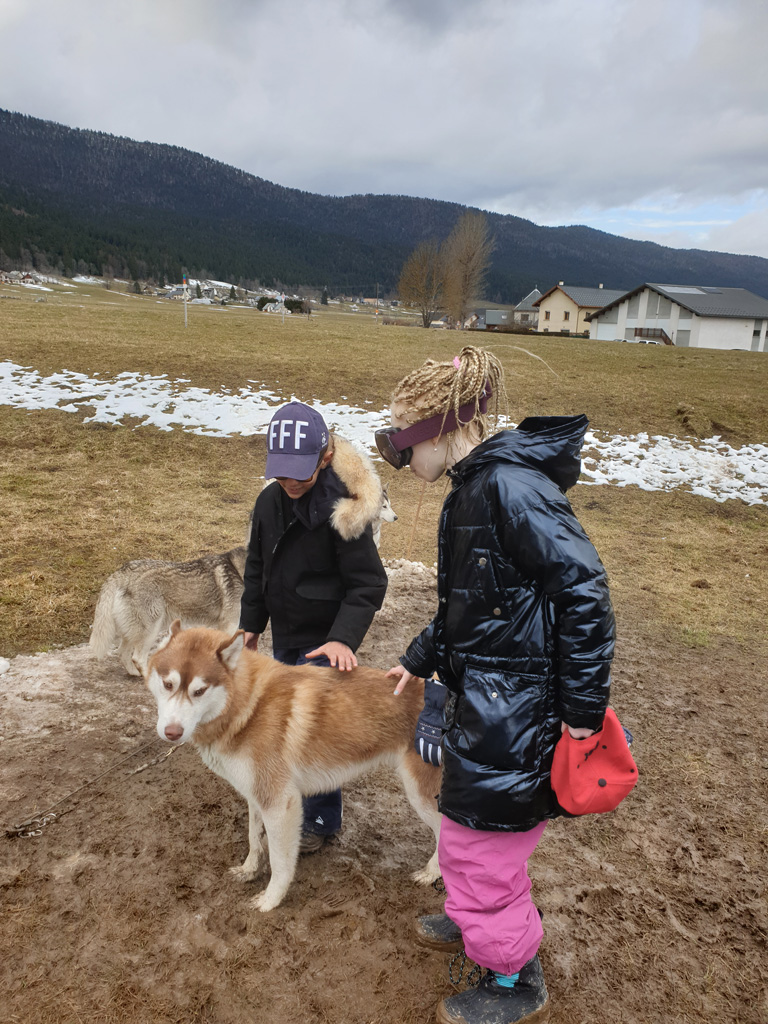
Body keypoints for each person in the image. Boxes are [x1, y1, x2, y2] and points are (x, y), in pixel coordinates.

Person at [376, 346, 615, 1024]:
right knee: (466, 824)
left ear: (444, 427)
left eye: (400, 436)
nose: (396, 452)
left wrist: (582, 710)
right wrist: (420, 658)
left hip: (519, 712)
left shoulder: (511, 489)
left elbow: (585, 590)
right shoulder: (472, 491)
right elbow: (468, 607)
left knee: (485, 849)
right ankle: (474, 917)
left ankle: (513, 979)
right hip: (486, 704)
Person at [241, 401, 388, 851]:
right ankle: (287, 802)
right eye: (281, 474)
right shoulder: (269, 502)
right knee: (283, 725)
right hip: (285, 632)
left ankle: (321, 822)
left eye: (299, 475)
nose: (289, 484)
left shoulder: (342, 510)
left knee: (317, 733)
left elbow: (368, 583)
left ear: (325, 458)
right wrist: (251, 624)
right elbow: (255, 566)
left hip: (323, 642)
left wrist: (342, 639)